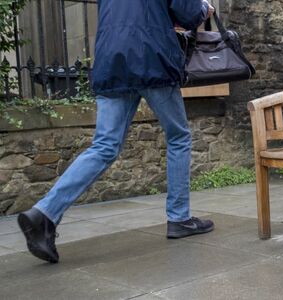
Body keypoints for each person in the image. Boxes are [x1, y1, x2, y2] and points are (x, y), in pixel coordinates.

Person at [17, 0, 217, 263]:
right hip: (151, 57)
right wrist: (205, 8)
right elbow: (188, 14)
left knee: (104, 146)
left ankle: (44, 213)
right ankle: (179, 218)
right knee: (178, 137)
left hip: (112, 60)